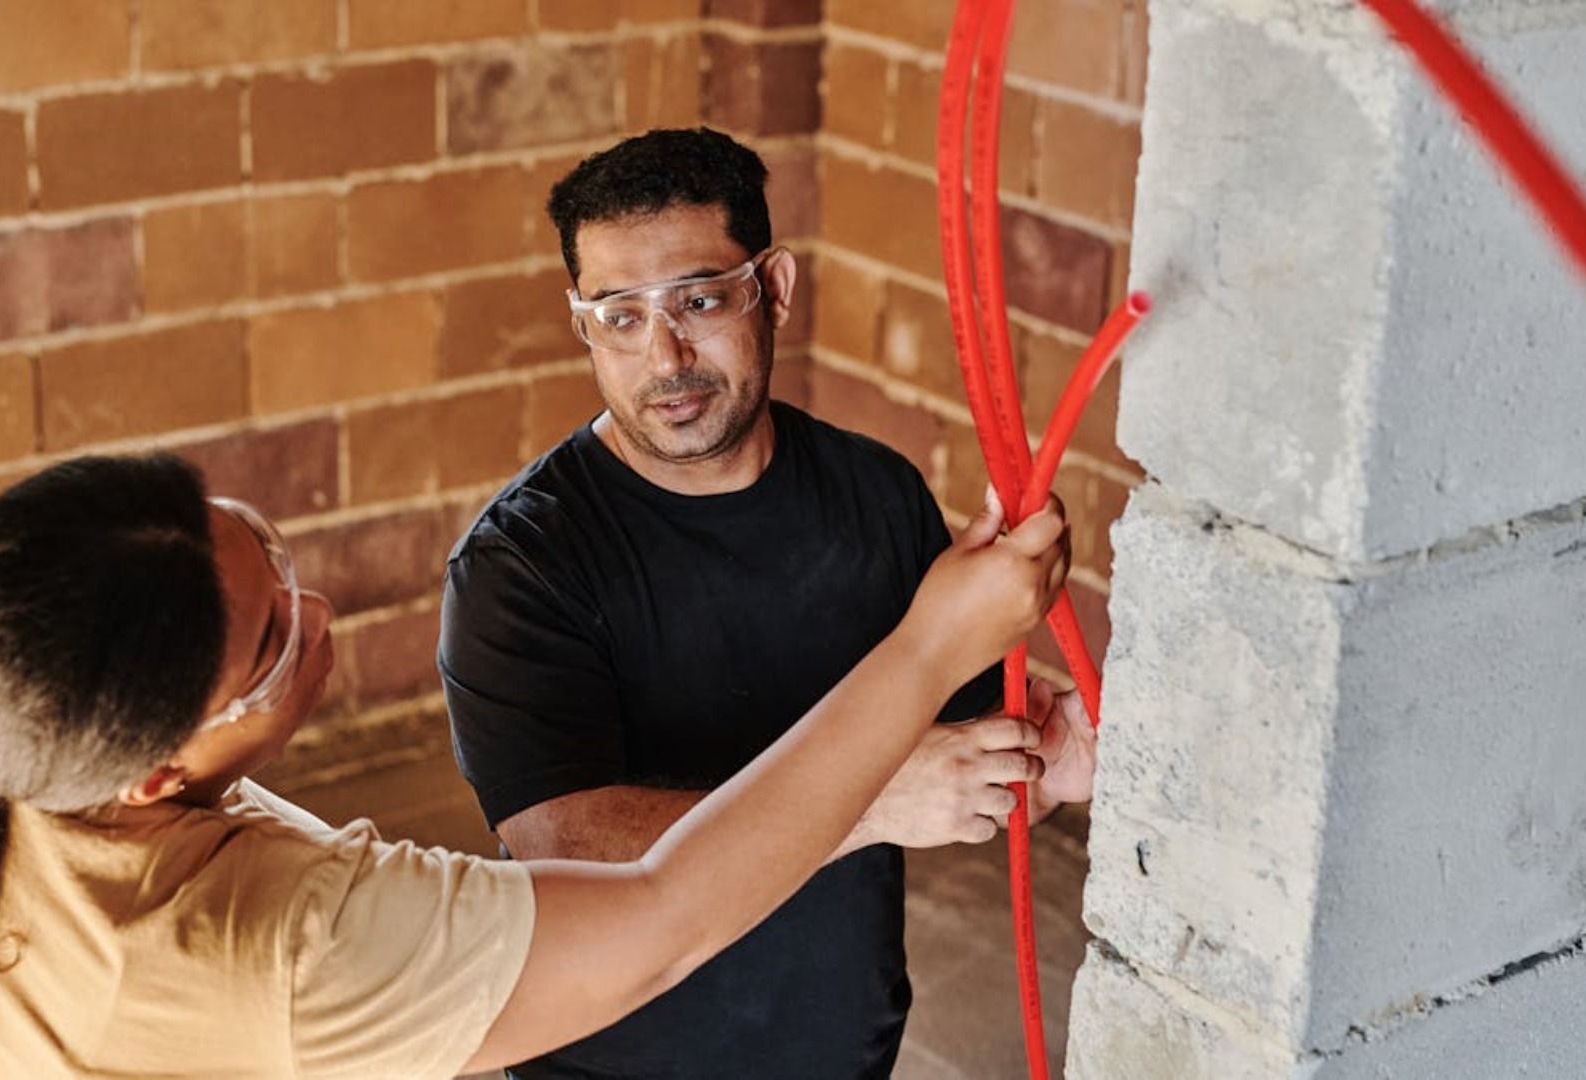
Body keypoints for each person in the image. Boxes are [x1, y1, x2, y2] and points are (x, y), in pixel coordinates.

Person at [0, 451, 1067, 1078]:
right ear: (150, 775)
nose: (315, 606)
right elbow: (661, 922)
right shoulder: (288, 951)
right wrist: (927, 651)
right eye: (272, 640)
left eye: (263, 543)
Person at [437, 127, 1099, 1078]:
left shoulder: (876, 496)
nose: (664, 356)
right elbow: (567, 847)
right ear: (581, 322)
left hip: (842, 1057)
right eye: (619, 317)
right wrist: (873, 802)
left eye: (700, 300)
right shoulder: (520, 564)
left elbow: (959, 760)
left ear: (774, 288)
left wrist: (1050, 759)